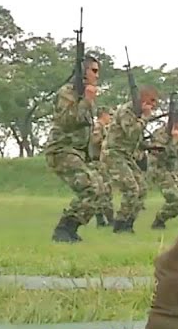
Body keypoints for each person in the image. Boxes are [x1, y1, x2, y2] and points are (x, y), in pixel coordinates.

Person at [44, 55, 105, 243]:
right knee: (91, 188)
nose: (97, 75)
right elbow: (67, 120)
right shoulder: (67, 93)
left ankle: (70, 229)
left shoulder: (86, 96)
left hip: (76, 152)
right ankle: (64, 229)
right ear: (83, 72)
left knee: (101, 189)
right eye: (93, 71)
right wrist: (86, 100)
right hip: (61, 150)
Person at [102, 86, 160, 233]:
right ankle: (119, 225)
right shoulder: (126, 111)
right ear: (142, 98)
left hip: (126, 155)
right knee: (131, 188)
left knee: (142, 189)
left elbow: (136, 141)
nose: (154, 105)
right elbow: (132, 133)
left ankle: (128, 224)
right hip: (113, 154)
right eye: (151, 100)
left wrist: (151, 147)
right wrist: (145, 117)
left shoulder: (137, 114)